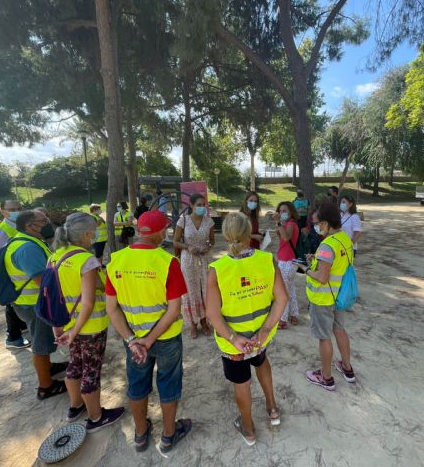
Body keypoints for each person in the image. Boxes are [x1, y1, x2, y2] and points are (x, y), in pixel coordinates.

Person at [105, 210, 192, 453]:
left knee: (137, 384)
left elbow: (112, 308)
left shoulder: (116, 260)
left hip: (132, 340)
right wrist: (149, 340)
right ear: (162, 232)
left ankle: (141, 434)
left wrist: (133, 341)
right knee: (169, 384)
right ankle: (168, 435)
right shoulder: (167, 262)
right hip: (166, 339)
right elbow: (174, 309)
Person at [205, 212, 287, 446]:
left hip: (234, 344)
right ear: (249, 231)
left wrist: (233, 337)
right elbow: (282, 299)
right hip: (261, 337)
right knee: (261, 362)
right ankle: (272, 409)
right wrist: (265, 329)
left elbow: (212, 314)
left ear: (225, 235)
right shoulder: (266, 260)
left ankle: (248, 429)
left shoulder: (217, 269)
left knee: (241, 383)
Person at [50, 212, 124, 431]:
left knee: (75, 365)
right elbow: (89, 302)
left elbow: (54, 295)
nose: (94, 237)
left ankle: (75, 407)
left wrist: (63, 328)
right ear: (85, 234)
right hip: (89, 326)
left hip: (67, 323)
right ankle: (96, 417)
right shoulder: (86, 260)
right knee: (91, 370)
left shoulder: (56, 256)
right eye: (93, 233)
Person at [5, 210, 68, 400]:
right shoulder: (26, 248)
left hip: (32, 303)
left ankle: (48, 367)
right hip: (34, 305)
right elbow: (43, 281)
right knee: (40, 345)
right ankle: (46, 386)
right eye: (43, 220)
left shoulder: (26, 240)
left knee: (43, 341)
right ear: (30, 225)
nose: (48, 223)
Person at [294, 203, 356, 391]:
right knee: (340, 330)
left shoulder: (327, 245)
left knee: (324, 337)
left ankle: (326, 377)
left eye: (318, 223)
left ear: (327, 223)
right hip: (339, 295)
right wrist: (318, 261)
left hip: (323, 298)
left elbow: (322, 278)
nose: (316, 227)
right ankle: (347, 369)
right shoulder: (344, 237)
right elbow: (336, 264)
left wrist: (306, 269)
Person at [0, 199, 30, 349]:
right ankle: (13, 337)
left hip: (18, 272)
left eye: (19, 208)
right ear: (2, 211)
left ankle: (20, 327)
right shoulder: (2, 230)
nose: (16, 211)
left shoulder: (18, 226)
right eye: (12, 209)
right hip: (8, 275)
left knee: (17, 302)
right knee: (12, 303)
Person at [173, 193, 214, 339]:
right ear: (191, 205)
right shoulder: (183, 220)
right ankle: (192, 324)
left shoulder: (209, 221)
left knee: (205, 290)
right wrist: (187, 247)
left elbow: (212, 241)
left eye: (204, 205)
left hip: (204, 259)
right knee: (190, 291)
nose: (202, 207)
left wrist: (207, 247)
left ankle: (204, 321)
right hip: (188, 260)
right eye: (199, 205)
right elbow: (175, 241)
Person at [273, 201, 300, 329]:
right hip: (286, 260)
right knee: (290, 288)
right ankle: (294, 314)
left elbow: (287, 237)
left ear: (291, 211)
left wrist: (279, 223)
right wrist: (279, 225)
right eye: (280, 211)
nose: (282, 213)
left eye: (284, 210)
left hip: (287, 261)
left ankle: (283, 320)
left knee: (284, 291)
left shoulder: (291, 224)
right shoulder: (287, 224)